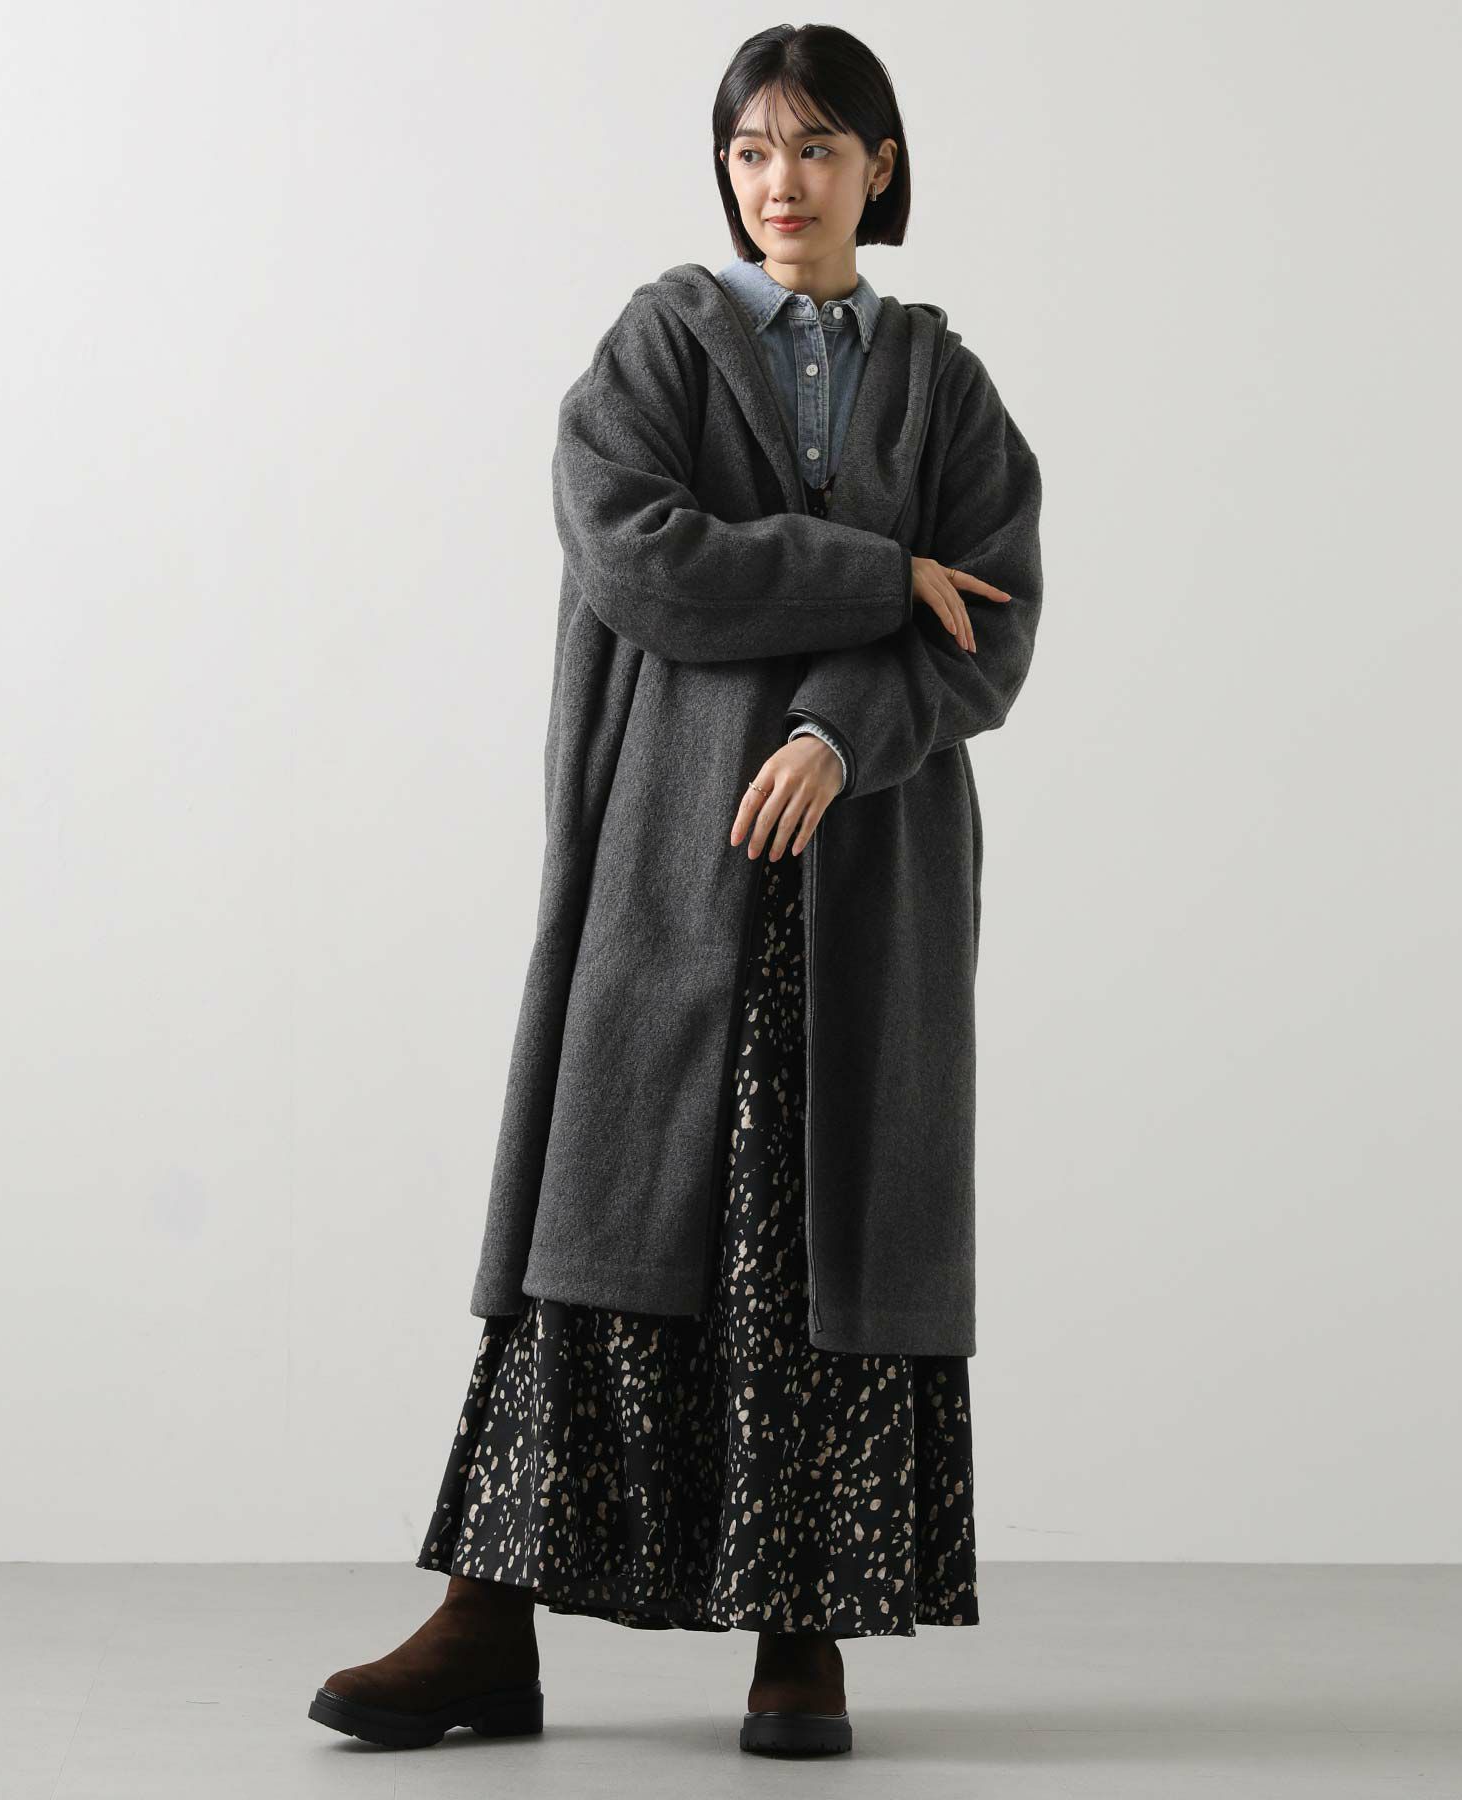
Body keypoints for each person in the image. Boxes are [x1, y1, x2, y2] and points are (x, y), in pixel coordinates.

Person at [308, 20, 1043, 1761]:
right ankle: (488, 1624)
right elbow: (639, 558)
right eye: (752, 151)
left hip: (868, 882)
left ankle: (802, 1636)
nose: (782, 183)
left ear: (880, 167)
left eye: (818, 148)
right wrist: (877, 574)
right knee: (605, 1222)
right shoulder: (663, 340)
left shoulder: (944, 385)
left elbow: (990, 629)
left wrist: (839, 735)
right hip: (667, 858)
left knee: (819, 1247)